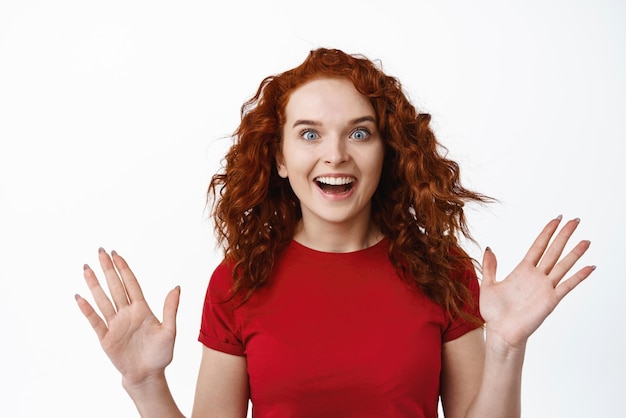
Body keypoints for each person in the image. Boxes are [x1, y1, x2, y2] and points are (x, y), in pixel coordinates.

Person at [75, 48, 595, 417]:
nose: (336, 154)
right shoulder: (238, 281)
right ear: (279, 157)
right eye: (309, 134)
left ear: (385, 151)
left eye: (359, 133)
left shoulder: (446, 273)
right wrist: (145, 383)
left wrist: (505, 347)